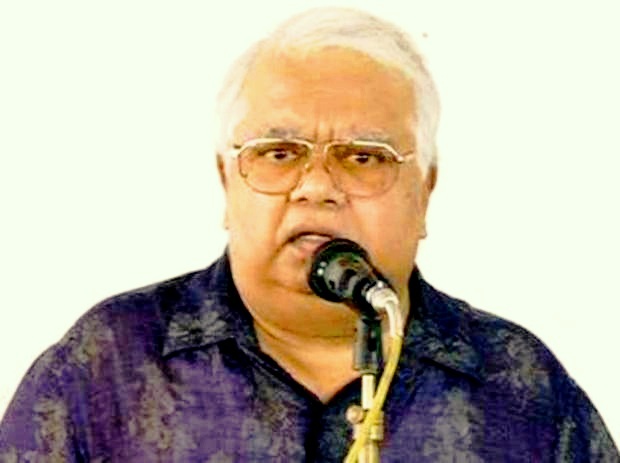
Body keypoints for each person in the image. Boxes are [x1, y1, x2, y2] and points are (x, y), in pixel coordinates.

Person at [0, 6, 618, 462]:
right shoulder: (103, 368)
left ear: (426, 192)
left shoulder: (520, 388)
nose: (316, 186)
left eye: (364, 157)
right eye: (279, 153)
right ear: (226, 181)